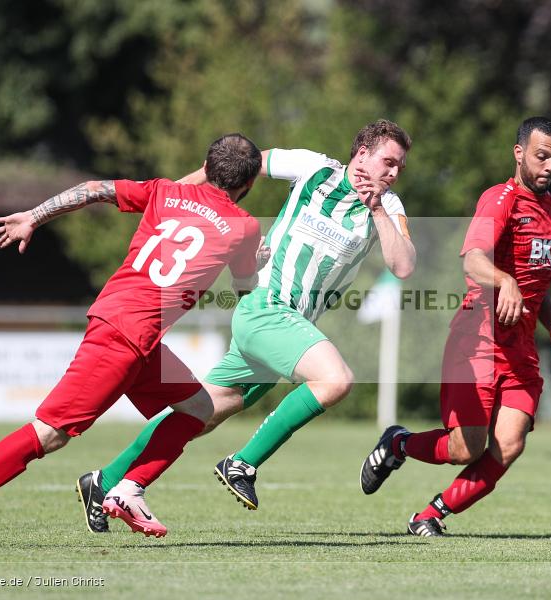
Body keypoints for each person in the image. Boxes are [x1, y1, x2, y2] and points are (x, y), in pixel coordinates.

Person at [0, 134, 264, 547]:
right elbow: (246, 288)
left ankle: (127, 489)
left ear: (206, 167)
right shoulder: (244, 227)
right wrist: (257, 260)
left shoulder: (163, 191)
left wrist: (34, 215)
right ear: (247, 186)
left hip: (131, 329)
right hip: (126, 336)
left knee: (198, 408)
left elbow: (92, 190)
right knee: (50, 434)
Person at [74, 119, 415, 532]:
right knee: (336, 380)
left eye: (399, 166)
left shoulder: (390, 207)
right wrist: (179, 196)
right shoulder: (312, 168)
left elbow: (403, 265)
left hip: (287, 328)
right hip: (265, 306)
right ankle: (242, 464)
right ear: (362, 153)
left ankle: (106, 481)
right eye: (388, 162)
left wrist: (376, 206)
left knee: (200, 414)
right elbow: (238, 164)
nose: (394, 172)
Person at [359, 117, 551, 536]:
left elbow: (538, 278)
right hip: (477, 339)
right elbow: (474, 260)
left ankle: (431, 515)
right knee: (465, 448)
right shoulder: (500, 200)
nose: (549, 166)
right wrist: (504, 280)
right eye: (541, 156)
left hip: (519, 347)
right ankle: (398, 443)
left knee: (510, 444)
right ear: (519, 154)